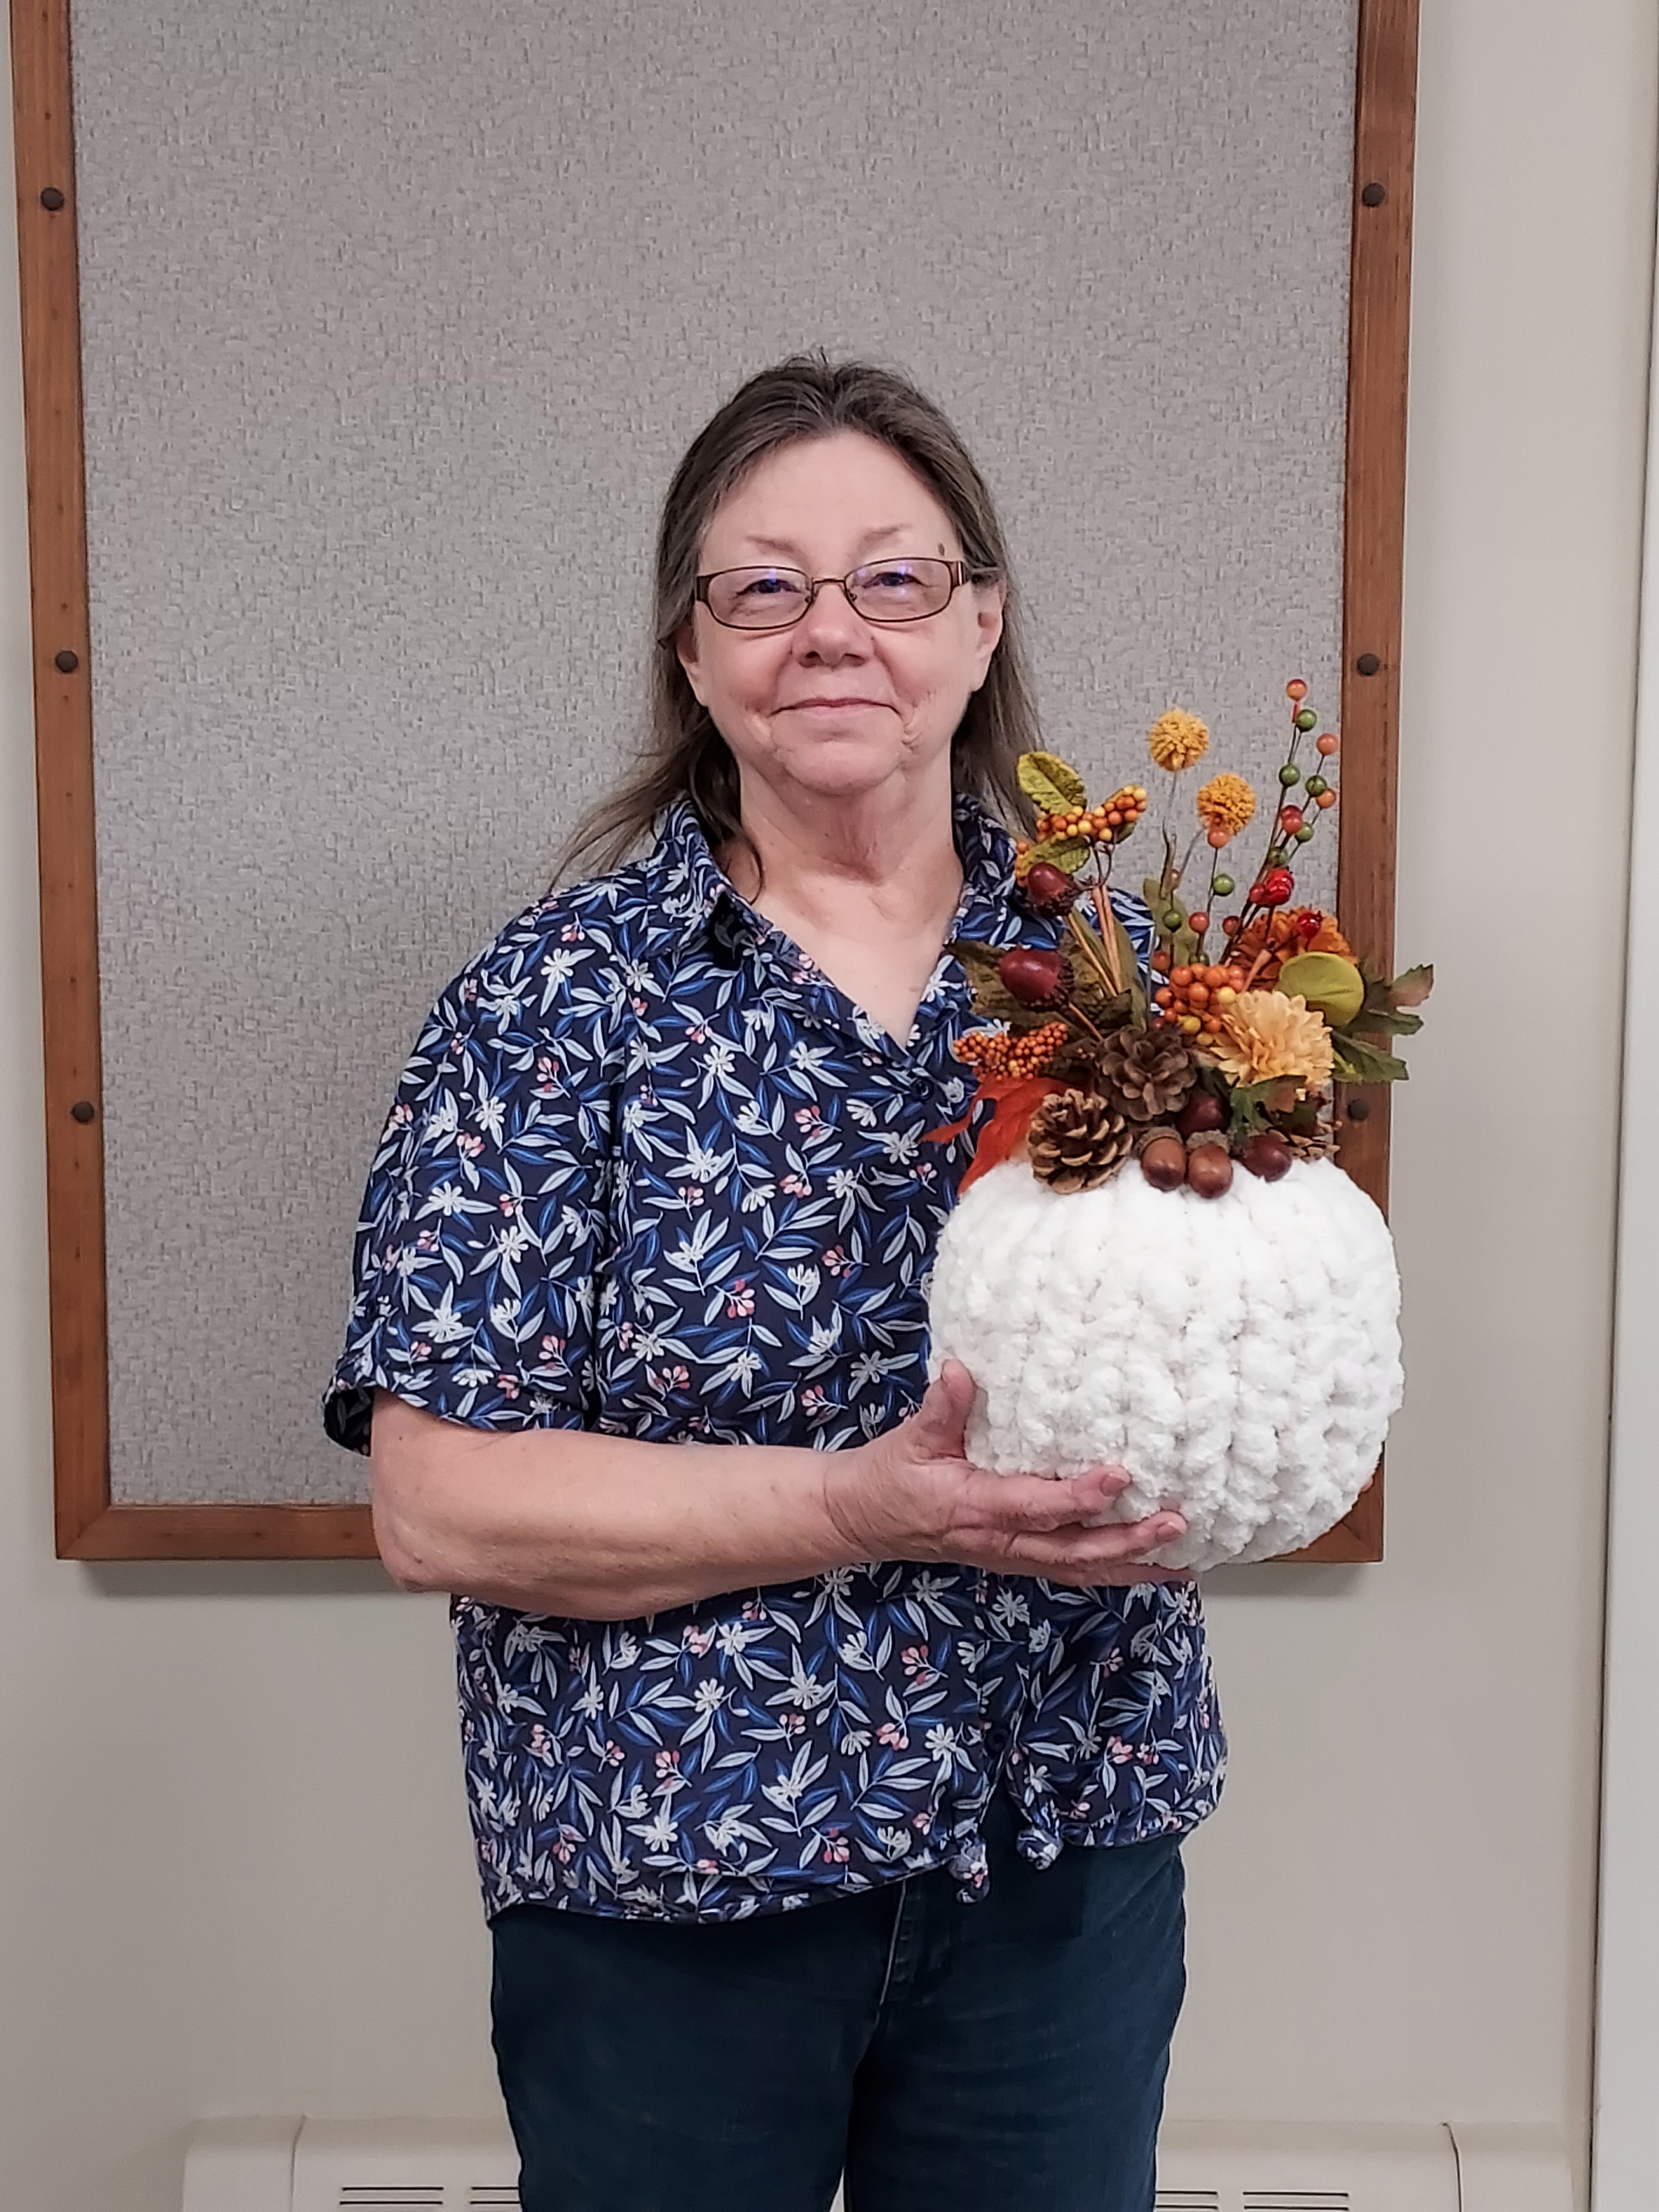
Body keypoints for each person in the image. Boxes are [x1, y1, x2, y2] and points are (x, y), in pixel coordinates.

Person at [323, 353, 1225, 2212]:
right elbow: (436, 1504)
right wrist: (853, 1507)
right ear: (691, 646)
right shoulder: (553, 1004)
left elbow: (1238, 1345)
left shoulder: (1131, 974)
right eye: (764, 587)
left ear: (979, 624)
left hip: (1056, 1870)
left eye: (893, 578)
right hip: (670, 1896)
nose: (832, 631)